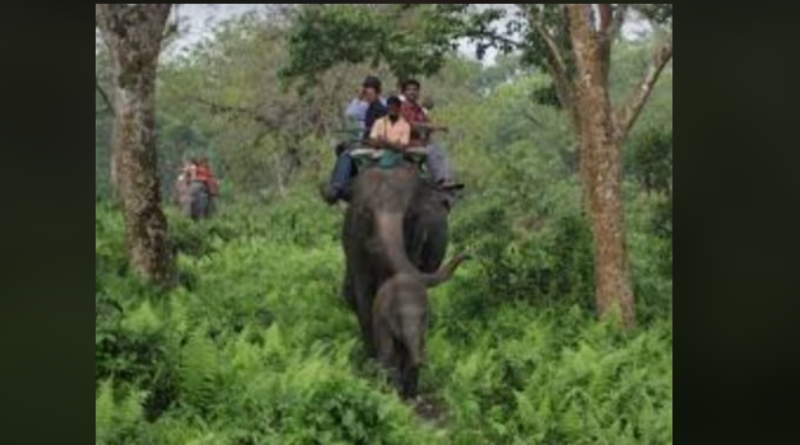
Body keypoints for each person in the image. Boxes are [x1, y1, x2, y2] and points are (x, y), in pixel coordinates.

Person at [321, 76, 387, 204]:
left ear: (378, 92)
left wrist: (363, 141)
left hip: (375, 145)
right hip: (369, 141)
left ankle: (337, 186)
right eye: (365, 93)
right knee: (342, 147)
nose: (367, 96)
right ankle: (346, 180)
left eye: (370, 93)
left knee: (346, 153)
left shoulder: (380, 108)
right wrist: (360, 96)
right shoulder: (370, 106)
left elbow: (377, 134)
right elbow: (350, 114)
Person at [398, 79, 463, 191]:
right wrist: (433, 127)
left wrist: (434, 128)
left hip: (421, 142)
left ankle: (447, 178)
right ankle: (441, 179)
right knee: (433, 149)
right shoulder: (402, 108)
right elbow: (410, 125)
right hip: (407, 143)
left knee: (440, 147)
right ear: (404, 93)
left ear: (418, 92)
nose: (412, 92)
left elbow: (427, 124)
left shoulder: (419, 110)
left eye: (415, 90)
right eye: (409, 90)